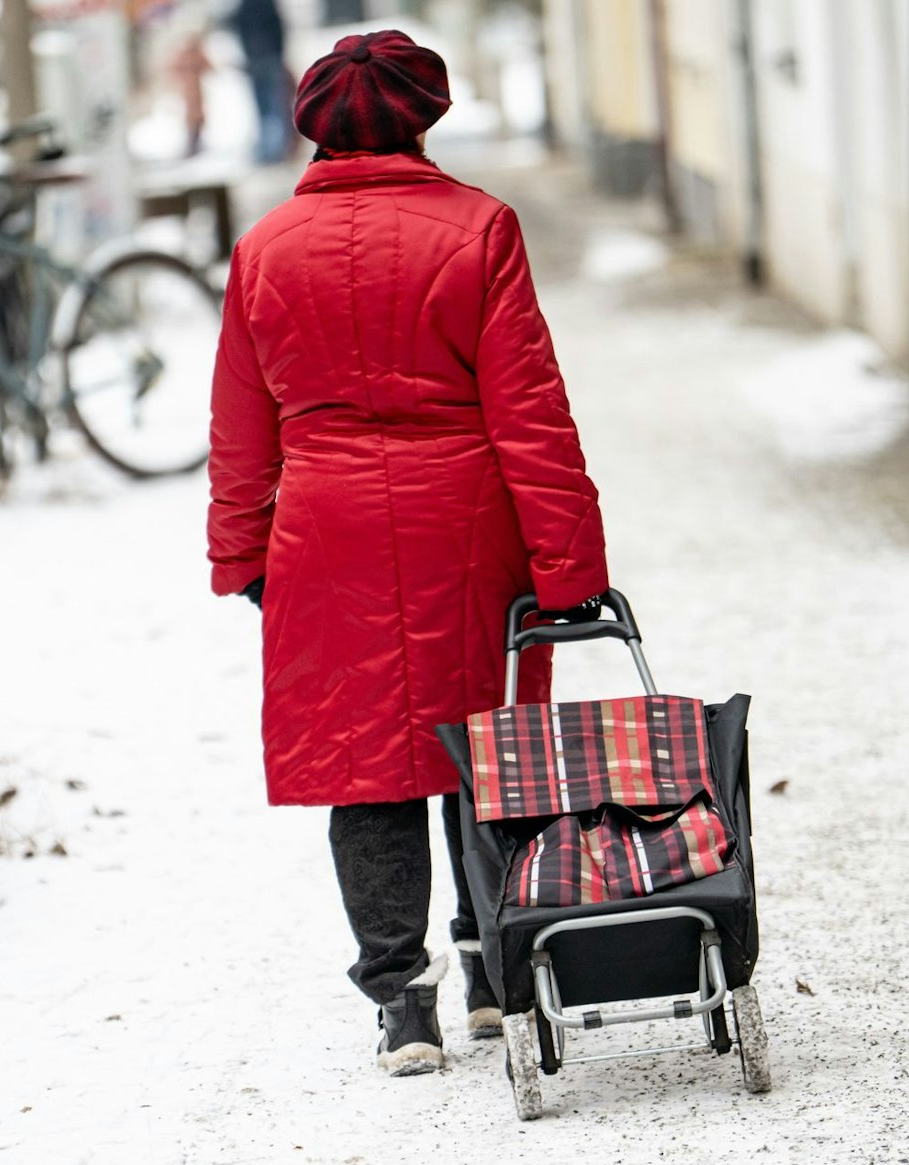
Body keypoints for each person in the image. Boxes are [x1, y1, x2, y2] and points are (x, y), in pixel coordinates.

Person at [206, 30, 608, 1077]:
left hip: (324, 527)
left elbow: (240, 425)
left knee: (362, 762)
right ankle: (491, 969)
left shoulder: (262, 251)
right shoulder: (479, 230)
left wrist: (242, 552)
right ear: (423, 115)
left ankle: (398, 1000)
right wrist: (567, 564)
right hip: (462, 524)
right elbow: (528, 411)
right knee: (481, 752)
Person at [231, 0, 293, 163]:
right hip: (267, 57)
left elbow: (239, 28)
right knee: (272, 104)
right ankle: (273, 149)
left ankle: (272, 149)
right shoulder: (265, 4)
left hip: (258, 58)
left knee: (267, 105)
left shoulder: (245, 6)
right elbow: (278, 28)